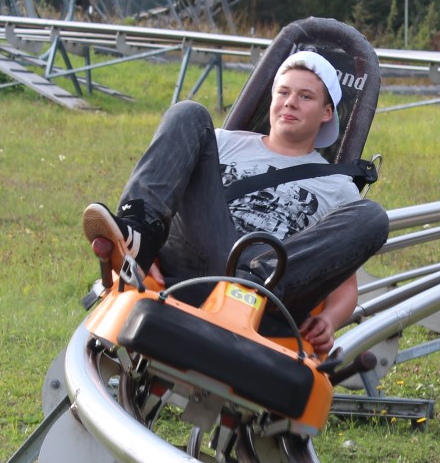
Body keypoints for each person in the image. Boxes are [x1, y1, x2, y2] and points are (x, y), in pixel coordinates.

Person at [83, 50, 388, 356]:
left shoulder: (338, 186)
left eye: (305, 96)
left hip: (272, 278)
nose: (290, 102)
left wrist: (330, 319)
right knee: (189, 112)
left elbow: (345, 285)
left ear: (326, 113)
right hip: (203, 251)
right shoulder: (220, 142)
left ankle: (253, 281)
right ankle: (139, 235)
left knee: (373, 216)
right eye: (283, 92)